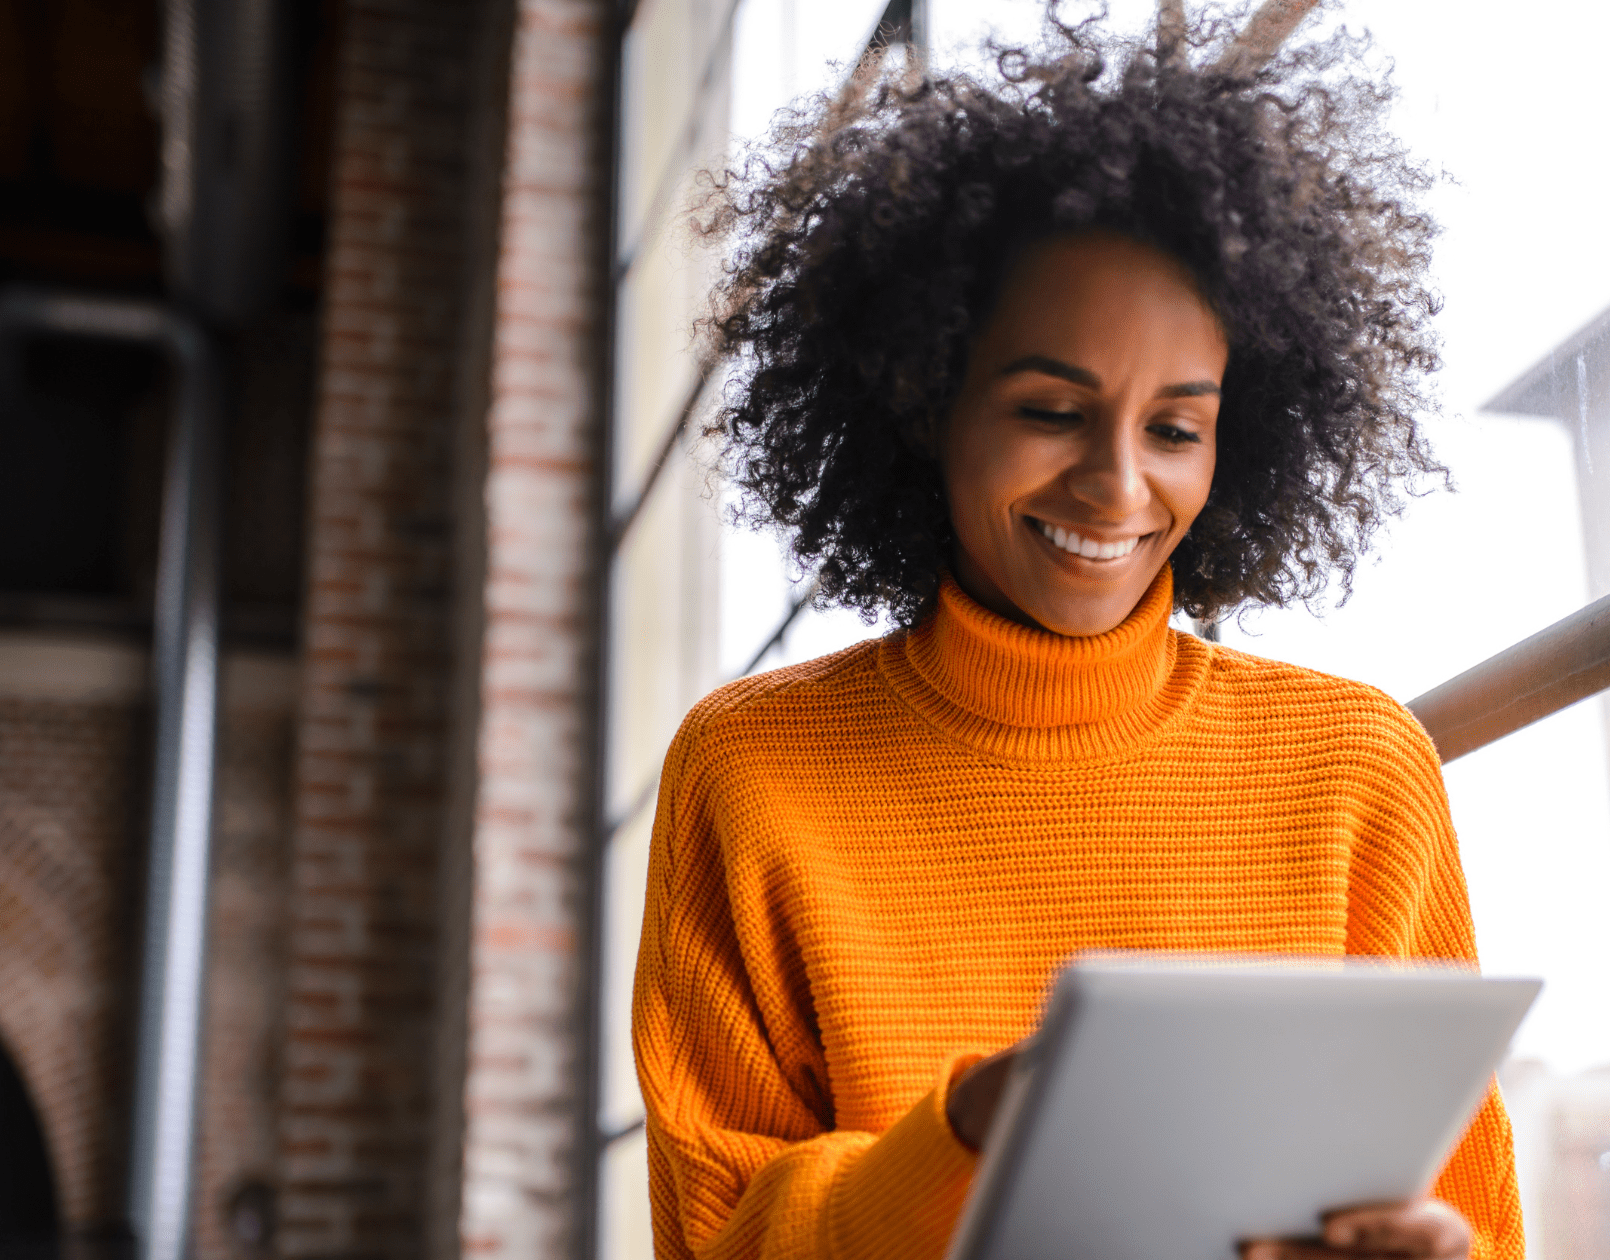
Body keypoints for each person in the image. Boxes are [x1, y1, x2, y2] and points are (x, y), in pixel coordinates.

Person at [632, 12, 1518, 1260]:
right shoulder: (754, 769)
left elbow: (1473, 1224)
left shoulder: (1355, 771)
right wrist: (972, 1130)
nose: (1114, 488)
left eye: (1173, 428)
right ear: (920, 398)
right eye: (1051, 408)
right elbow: (719, 1237)